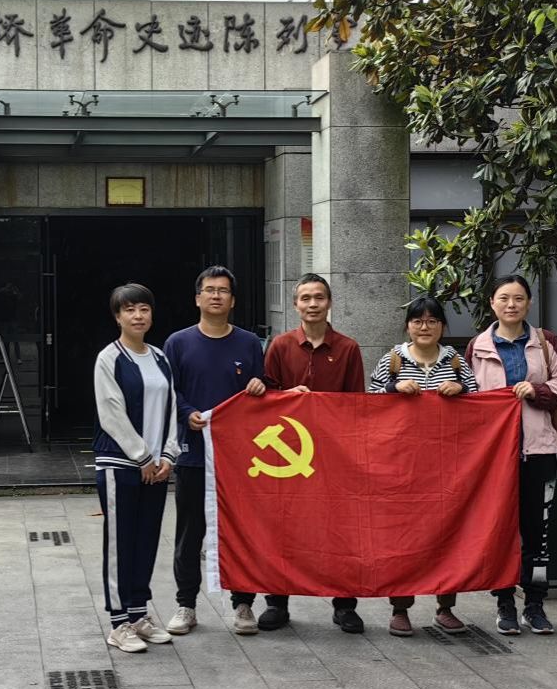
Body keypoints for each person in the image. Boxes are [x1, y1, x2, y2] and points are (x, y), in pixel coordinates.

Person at [466, 274, 557, 636]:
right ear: (492, 303)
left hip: (539, 451)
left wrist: (537, 390)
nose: (511, 305)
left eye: (518, 298)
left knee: (537, 533)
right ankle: (504, 604)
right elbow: (469, 396)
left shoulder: (546, 342)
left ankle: (535, 604)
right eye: (503, 298)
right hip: (494, 457)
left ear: (529, 303)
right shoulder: (478, 346)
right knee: (499, 532)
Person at [259, 272, 368, 633]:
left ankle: (345, 604)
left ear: (330, 302)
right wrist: (288, 397)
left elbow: (357, 404)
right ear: (295, 305)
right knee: (283, 527)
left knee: (340, 529)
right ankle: (276, 602)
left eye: (319, 297)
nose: (312, 304)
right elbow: (267, 400)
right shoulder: (280, 346)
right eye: (305, 298)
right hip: (288, 455)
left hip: (335, 454)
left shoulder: (348, 348)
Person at [162, 266, 267, 637]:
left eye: (223, 290)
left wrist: (259, 385)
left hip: (240, 459)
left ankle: (243, 603)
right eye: (209, 290)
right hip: (193, 454)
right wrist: (186, 412)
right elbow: (168, 391)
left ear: (233, 300)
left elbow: (263, 389)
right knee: (190, 533)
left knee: (242, 532)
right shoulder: (178, 343)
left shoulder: (249, 343)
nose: (216, 295)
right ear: (197, 298)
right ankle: (186, 605)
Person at [367, 295, 479, 637]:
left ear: (442, 326)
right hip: (402, 466)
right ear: (408, 326)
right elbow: (367, 401)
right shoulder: (392, 360)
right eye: (418, 321)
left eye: (432, 321)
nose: (424, 327)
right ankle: (400, 608)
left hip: (448, 467)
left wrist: (461, 388)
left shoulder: (456, 361)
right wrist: (393, 387)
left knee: (449, 533)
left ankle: (446, 607)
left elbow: (480, 402)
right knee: (403, 536)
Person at [93, 282, 181, 653]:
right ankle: (119, 623)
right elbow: (111, 413)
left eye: (143, 308)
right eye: (129, 310)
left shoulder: (160, 357)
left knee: (146, 540)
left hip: (157, 467)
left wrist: (169, 455)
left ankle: (138, 613)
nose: (138, 315)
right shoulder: (109, 359)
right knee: (121, 542)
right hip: (120, 464)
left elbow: (172, 408)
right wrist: (142, 456)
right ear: (117, 317)